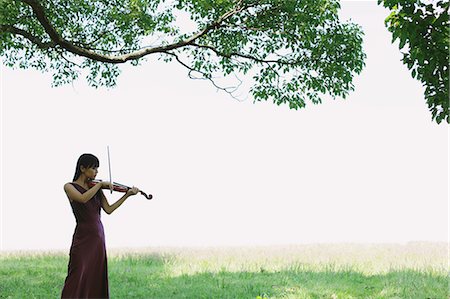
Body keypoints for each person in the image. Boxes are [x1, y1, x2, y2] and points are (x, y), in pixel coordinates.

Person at [61, 153, 139, 299]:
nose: (96, 172)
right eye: (94, 168)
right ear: (82, 168)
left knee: (96, 274)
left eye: (97, 168)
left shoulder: (96, 188)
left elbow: (109, 209)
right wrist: (99, 185)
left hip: (98, 237)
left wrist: (127, 195)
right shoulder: (69, 187)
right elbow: (82, 199)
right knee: (77, 272)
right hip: (83, 235)